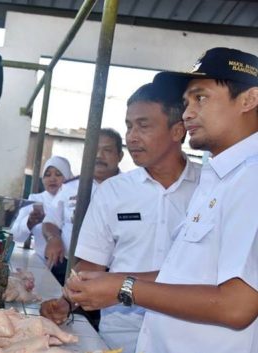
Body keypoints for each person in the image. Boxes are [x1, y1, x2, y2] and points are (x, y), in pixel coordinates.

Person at [65, 47, 258, 353]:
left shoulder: (251, 177)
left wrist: (126, 288)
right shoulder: (219, 177)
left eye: (201, 98)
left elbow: (238, 306)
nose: (187, 113)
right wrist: (117, 283)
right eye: (186, 102)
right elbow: (188, 276)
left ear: (248, 100)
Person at [42, 83, 202, 353]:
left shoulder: (210, 188)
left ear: (177, 130)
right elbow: (90, 267)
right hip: (120, 336)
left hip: (188, 335)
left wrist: (122, 284)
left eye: (143, 126)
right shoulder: (113, 191)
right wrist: (66, 302)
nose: (132, 137)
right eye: (129, 126)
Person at [41, 128, 124, 286]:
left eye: (107, 150)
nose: (99, 156)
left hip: (110, 273)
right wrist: (53, 238)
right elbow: (50, 221)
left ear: (120, 156)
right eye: (95, 150)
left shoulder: (131, 190)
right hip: (66, 265)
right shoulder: (70, 188)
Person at [11, 155, 73, 282]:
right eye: (47, 174)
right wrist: (29, 223)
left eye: (58, 174)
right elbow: (16, 236)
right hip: (41, 266)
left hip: (69, 269)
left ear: (67, 178)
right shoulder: (35, 200)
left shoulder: (73, 202)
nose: (52, 179)